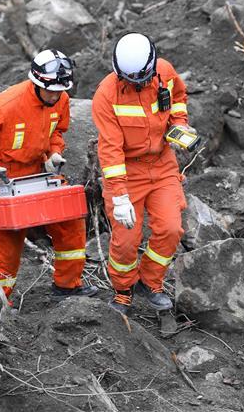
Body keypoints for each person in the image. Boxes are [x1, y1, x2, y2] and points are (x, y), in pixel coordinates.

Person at [0, 50, 99, 305]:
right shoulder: (6, 105)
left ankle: (68, 285)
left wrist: (54, 154)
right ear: (37, 83)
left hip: (38, 173)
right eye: (51, 91)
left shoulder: (60, 99)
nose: (55, 96)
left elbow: (57, 132)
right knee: (5, 248)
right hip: (2, 176)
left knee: (71, 222)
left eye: (60, 91)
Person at [91, 33, 195, 315]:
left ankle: (151, 282)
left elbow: (179, 99)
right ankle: (123, 290)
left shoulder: (165, 72)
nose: (138, 85)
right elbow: (110, 150)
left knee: (171, 228)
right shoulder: (106, 95)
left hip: (162, 164)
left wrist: (179, 124)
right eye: (131, 81)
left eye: (142, 80)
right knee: (126, 240)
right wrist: (120, 195)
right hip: (127, 169)